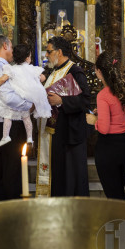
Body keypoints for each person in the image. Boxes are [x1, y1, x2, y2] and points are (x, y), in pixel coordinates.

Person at [36, 36, 91, 197]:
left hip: (70, 135)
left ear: (59, 52)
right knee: (59, 175)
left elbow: (85, 99)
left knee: (71, 177)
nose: (46, 55)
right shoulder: (53, 72)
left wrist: (62, 100)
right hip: (56, 133)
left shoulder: (75, 71)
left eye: (49, 51)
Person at [0, 35, 33, 201]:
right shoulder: (2, 69)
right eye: (11, 47)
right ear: (5, 46)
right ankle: (13, 212)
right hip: (10, 127)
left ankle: (1, 209)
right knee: (12, 172)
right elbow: (10, 99)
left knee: (0, 172)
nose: (12, 52)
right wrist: (29, 106)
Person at [86, 52, 125, 201]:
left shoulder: (103, 95)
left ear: (100, 72)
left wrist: (94, 119)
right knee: (118, 191)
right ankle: (124, 222)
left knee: (115, 197)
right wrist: (102, 114)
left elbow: (105, 128)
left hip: (109, 150)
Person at [0, 44, 51, 147]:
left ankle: (5, 136)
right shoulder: (32, 69)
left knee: (8, 116)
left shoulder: (11, 69)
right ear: (28, 58)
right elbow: (42, 78)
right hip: (28, 97)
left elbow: (2, 79)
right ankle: (29, 138)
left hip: (17, 96)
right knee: (26, 118)